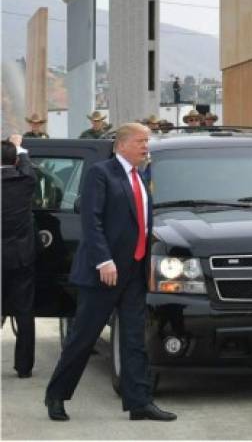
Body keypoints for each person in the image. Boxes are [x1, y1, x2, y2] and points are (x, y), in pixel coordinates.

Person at [44, 123, 176, 422]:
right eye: (141, 141)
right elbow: (91, 221)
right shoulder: (101, 174)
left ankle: (139, 402)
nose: (146, 146)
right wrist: (104, 261)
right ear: (123, 144)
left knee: (133, 339)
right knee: (83, 338)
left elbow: (141, 223)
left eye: (147, 141)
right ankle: (56, 396)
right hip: (104, 272)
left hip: (134, 272)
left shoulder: (141, 176)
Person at [1, 135, 37, 378]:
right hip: (21, 257)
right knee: (24, 312)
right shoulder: (25, 181)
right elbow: (27, 166)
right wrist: (19, 146)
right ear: (14, 161)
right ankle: (24, 367)